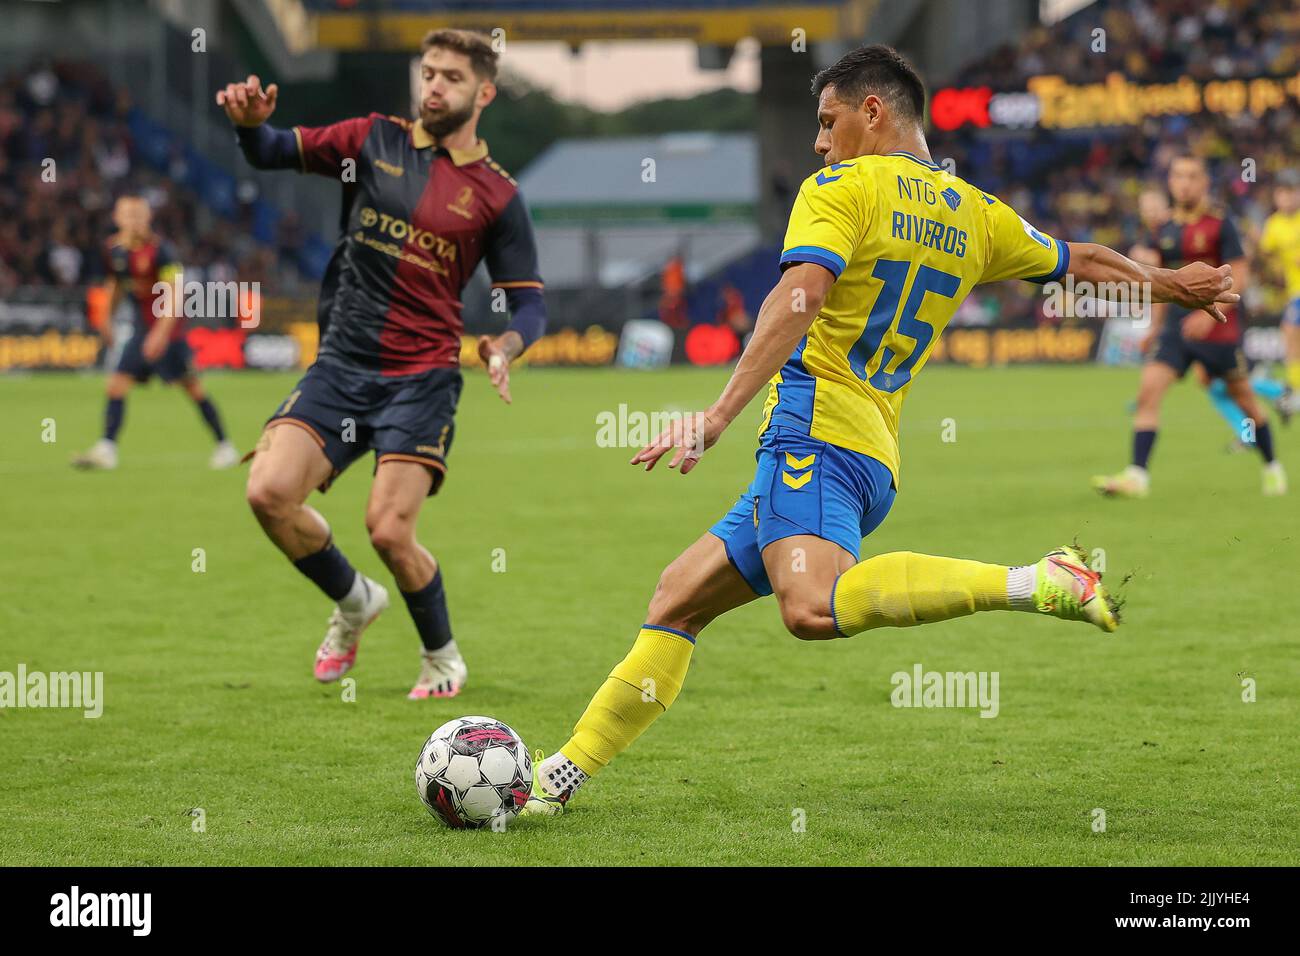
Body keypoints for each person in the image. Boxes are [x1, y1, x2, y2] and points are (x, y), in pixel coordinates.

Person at [518, 45, 1237, 816]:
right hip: (869, 456)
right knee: (678, 598)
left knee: (810, 609)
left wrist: (717, 414)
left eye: (828, 122)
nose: (820, 143)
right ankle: (555, 780)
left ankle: (1040, 581)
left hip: (814, 436)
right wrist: (1167, 286)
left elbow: (798, 300)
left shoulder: (842, 188)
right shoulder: (975, 212)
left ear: (873, 111)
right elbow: (1078, 259)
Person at [218, 29, 547, 699]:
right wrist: (251, 128)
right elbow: (277, 149)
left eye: (450, 77)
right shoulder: (372, 139)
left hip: (420, 379)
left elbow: (531, 307)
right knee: (267, 494)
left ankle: (442, 656)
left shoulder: (498, 197)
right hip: (340, 364)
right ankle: (353, 600)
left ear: (483, 93)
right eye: (426, 73)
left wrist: (503, 347)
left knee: (389, 530)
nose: (432, 87)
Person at [1093, 154, 1285, 497]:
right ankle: (1137, 476)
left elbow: (1238, 272)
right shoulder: (1163, 228)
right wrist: (1154, 327)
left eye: (1192, 176)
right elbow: (1160, 282)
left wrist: (1203, 310)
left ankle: (1271, 465)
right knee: (1148, 390)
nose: (1184, 182)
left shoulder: (1219, 225)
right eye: (1178, 176)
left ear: (1204, 183)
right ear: (1170, 182)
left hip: (1217, 326)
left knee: (1244, 401)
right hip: (1176, 328)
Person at [72, 196, 237, 471]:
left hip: (168, 331)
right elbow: (116, 284)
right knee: (116, 384)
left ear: (148, 218)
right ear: (117, 218)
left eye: (139, 214)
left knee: (192, 387)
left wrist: (161, 334)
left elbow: (175, 294)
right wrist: (106, 321)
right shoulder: (113, 250)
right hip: (140, 328)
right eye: (128, 214)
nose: (134, 220)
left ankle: (225, 446)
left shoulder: (163, 251)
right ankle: (107, 448)